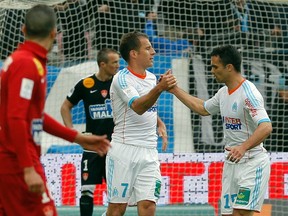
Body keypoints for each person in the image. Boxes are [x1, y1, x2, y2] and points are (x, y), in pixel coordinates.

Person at [0, 4, 110, 216]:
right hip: (16, 163)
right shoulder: (27, 64)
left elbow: (33, 116)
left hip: (13, 161)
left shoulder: (27, 61)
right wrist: (28, 168)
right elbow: (16, 117)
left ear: (23, 30)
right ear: (54, 32)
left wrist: (76, 137)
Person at [168, 45, 272, 216]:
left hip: (252, 162)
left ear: (229, 67)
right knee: (228, 214)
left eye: (215, 67)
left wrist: (243, 147)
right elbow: (202, 108)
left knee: (241, 212)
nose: (211, 71)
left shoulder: (249, 93)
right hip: (232, 163)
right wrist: (175, 90)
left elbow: (266, 126)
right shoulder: (223, 92)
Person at [104, 31, 177, 216]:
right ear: (133, 54)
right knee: (117, 209)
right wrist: (160, 88)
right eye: (148, 48)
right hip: (124, 150)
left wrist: (159, 122)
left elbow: (149, 106)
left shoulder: (152, 78)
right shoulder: (121, 79)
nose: (153, 52)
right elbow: (137, 106)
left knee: (148, 205)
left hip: (149, 150)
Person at [60, 48, 120, 216]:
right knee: (87, 192)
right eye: (114, 62)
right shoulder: (86, 84)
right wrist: (72, 133)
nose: (118, 65)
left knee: (116, 196)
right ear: (103, 64)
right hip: (92, 147)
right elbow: (65, 107)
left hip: (115, 146)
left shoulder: (120, 83)